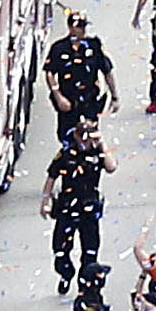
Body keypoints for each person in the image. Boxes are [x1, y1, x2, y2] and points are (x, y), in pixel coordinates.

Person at [42, 119, 111, 291]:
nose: (86, 142)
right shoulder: (66, 154)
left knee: (90, 248)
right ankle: (66, 273)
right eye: (83, 138)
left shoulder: (98, 153)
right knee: (60, 247)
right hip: (67, 207)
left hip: (89, 208)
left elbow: (111, 167)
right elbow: (52, 176)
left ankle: (84, 281)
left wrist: (102, 144)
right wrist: (45, 200)